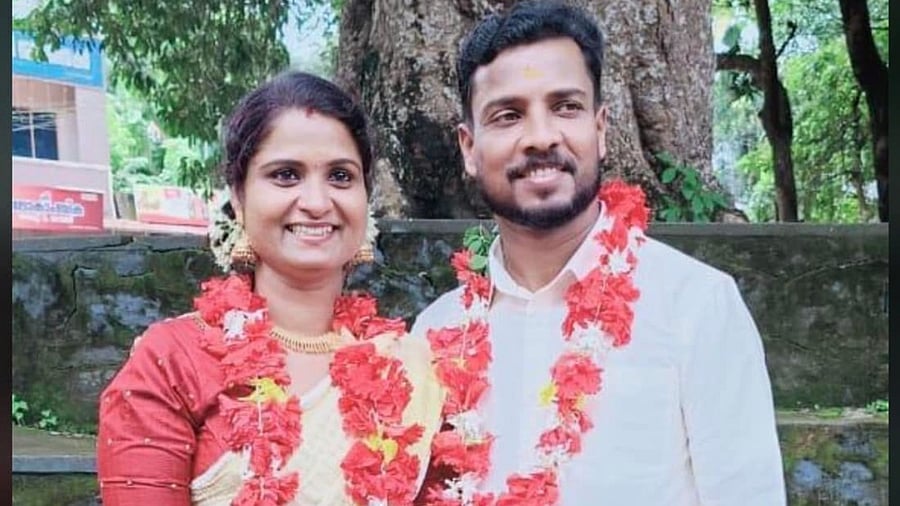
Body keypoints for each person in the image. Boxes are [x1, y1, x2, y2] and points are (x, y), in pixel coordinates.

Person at [411, 2, 786, 505]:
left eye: (566, 107)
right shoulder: (436, 334)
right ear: (468, 148)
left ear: (601, 129)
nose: (542, 137)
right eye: (508, 115)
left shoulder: (695, 307)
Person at [97, 71, 445, 505]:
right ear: (239, 198)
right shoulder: (174, 362)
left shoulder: (410, 367)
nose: (317, 202)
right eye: (285, 175)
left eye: (340, 176)